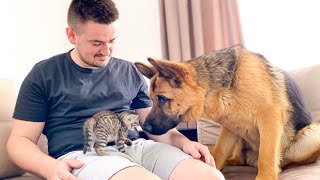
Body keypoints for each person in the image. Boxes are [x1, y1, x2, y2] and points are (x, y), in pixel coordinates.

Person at [7, 0, 224, 179]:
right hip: (85, 155)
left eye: (112, 41)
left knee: (211, 176)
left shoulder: (129, 70)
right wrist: (49, 168)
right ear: (72, 35)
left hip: (137, 148)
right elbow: (20, 142)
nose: (106, 51)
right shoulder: (44, 74)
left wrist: (185, 143)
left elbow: (153, 126)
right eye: (96, 43)